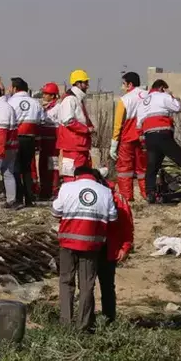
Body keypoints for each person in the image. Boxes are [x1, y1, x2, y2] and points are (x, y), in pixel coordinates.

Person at [52, 166, 118, 331]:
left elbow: (56, 211)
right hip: (91, 245)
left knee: (66, 282)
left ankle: (65, 322)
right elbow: (113, 217)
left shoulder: (67, 187)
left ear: (77, 176)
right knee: (87, 285)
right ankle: (83, 324)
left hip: (68, 242)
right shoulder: (105, 192)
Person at [137, 79, 181, 203]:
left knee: (152, 166)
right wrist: (172, 96)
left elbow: (138, 124)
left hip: (149, 136)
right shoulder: (163, 96)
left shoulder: (143, 102)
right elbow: (178, 107)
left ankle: (150, 193)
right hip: (163, 134)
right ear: (161, 88)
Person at [99, 176, 134, 324]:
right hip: (93, 246)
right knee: (88, 286)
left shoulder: (117, 198)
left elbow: (127, 225)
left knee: (107, 286)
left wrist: (125, 247)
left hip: (109, 248)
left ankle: (109, 319)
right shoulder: (95, 195)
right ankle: (89, 320)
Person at [110, 72, 148, 201]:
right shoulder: (148, 95)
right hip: (144, 137)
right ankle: (147, 195)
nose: (122, 86)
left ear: (130, 84)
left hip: (127, 138)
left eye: (123, 83)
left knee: (125, 170)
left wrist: (114, 144)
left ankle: (127, 198)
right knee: (144, 169)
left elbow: (118, 124)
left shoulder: (125, 99)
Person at [8, 77, 43, 207]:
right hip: (30, 139)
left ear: (15, 88)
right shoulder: (35, 103)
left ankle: (18, 198)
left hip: (15, 138)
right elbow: (41, 121)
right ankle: (29, 199)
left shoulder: (10, 102)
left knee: (15, 169)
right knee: (27, 169)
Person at [57, 69, 94, 182]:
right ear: (78, 83)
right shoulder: (70, 99)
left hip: (78, 145)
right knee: (72, 174)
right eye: (85, 83)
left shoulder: (76, 99)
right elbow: (68, 120)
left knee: (81, 174)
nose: (87, 85)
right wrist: (86, 130)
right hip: (73, 145)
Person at [38, 82, 61, 200]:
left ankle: (54, 190)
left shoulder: (58, 107)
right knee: (42, 166)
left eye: (46, 94)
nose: (43, 96)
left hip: (53, 142)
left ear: (53, 96)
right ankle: (44, 190)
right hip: (44, 142)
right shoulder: (44, 107)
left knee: (52, 166)